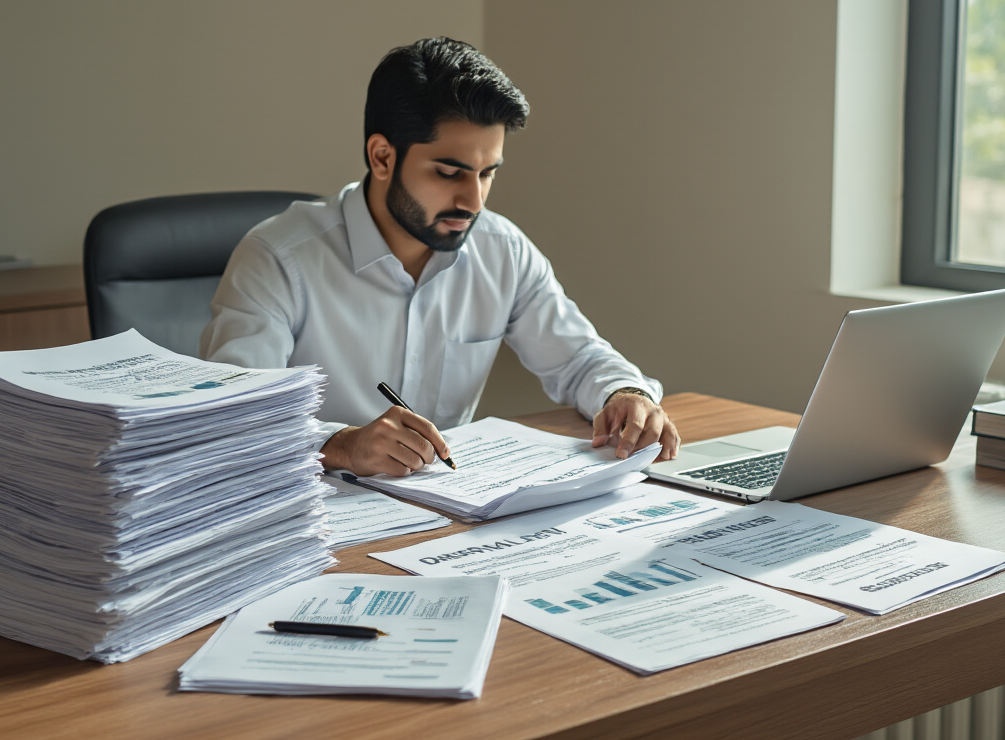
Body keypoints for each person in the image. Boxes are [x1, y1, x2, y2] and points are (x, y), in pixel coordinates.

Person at [200, 37, 679, 476]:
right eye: (450, 172)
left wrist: (626, 394)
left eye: (487, 173)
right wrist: (344, 445)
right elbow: (233, 425)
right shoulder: (277, 258)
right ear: (382, 156)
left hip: (446, 511)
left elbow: (578, 360)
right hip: (312, 520)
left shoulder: (501, 249)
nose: (474, 201)